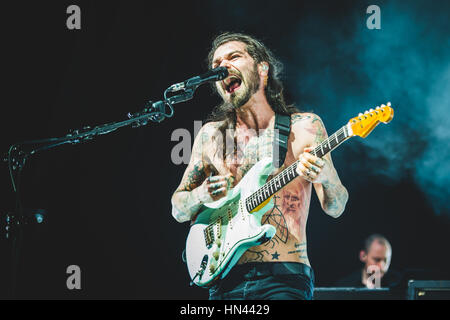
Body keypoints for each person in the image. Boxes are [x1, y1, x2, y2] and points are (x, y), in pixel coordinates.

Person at [171, 32, 349, 300]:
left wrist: (328, 176)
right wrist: (201, 195)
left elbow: (336, 207)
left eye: (233, 56)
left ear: (262, 68)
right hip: (224, 279)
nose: (222, 66)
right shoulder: (211, 135)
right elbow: (178, 209)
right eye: (217, 62)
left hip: (284, 279)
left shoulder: (305, 127)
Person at [336, 234, 401, 288]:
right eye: (376, 260)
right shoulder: (345, 286)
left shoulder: (398, 284)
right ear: (363, 256)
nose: (382, 266)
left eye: (385, 260)